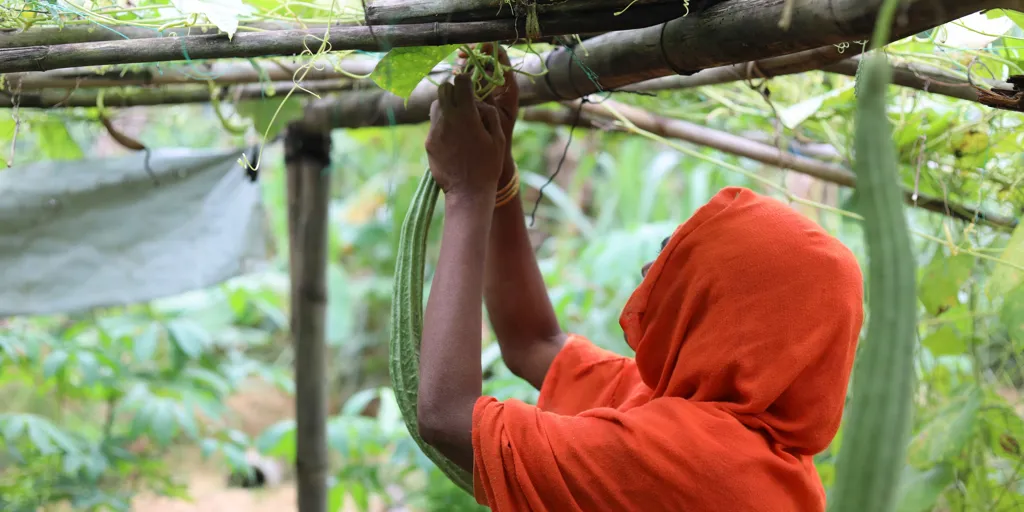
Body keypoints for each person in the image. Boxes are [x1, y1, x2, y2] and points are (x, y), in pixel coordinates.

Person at [416, 44, 865, 512]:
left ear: (727, 312)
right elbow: (533, 343)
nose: (649, 272)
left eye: (676, 259)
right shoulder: (734, 441)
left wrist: (466, 191)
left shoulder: (697, 464)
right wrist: (498, 167)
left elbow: (447, 417)